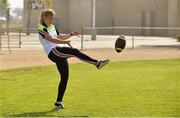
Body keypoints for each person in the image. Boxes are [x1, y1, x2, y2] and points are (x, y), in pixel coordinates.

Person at [38, 9, 109, 109]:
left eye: (53, 18)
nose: (52, 20)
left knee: (65, 78)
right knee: (75, 51)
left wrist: (71, 34)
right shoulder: (41, 28)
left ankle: (58, 102)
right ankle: (97, 63)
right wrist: (65, 43)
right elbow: (52, 39)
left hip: (58, 51)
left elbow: (60, 37)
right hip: (53, 52)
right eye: (50, 18)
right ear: (44, 18)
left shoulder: (52, 27)